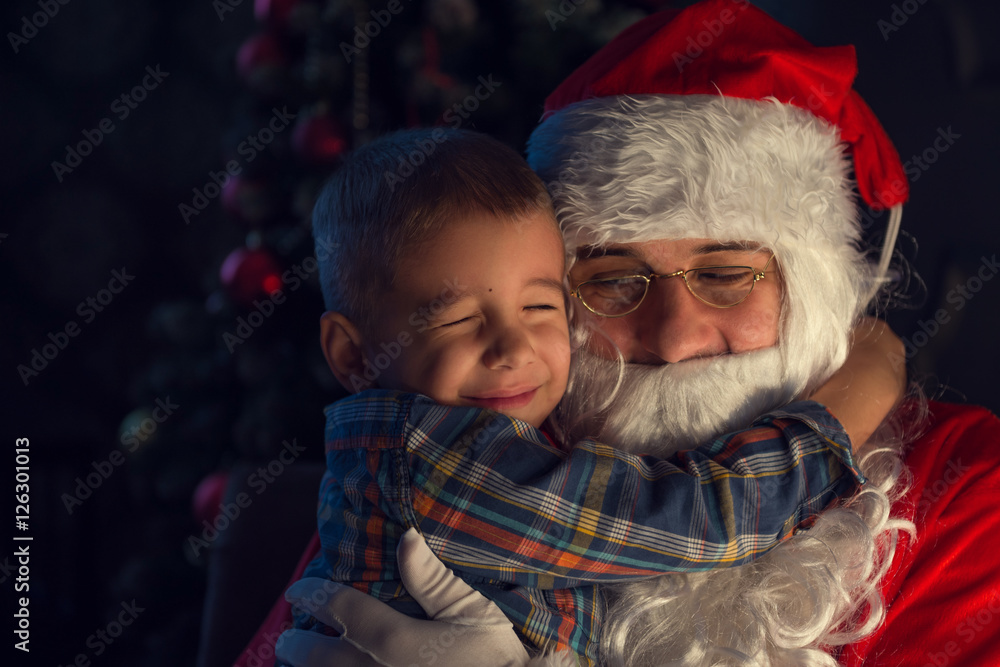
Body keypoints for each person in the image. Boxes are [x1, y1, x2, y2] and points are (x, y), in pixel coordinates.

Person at [269, 2, 1000, 666]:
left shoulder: (972, 491)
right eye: (613, 280)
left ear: (809, 289)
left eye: (724, 274)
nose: (675, 338)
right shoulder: (483, 429)